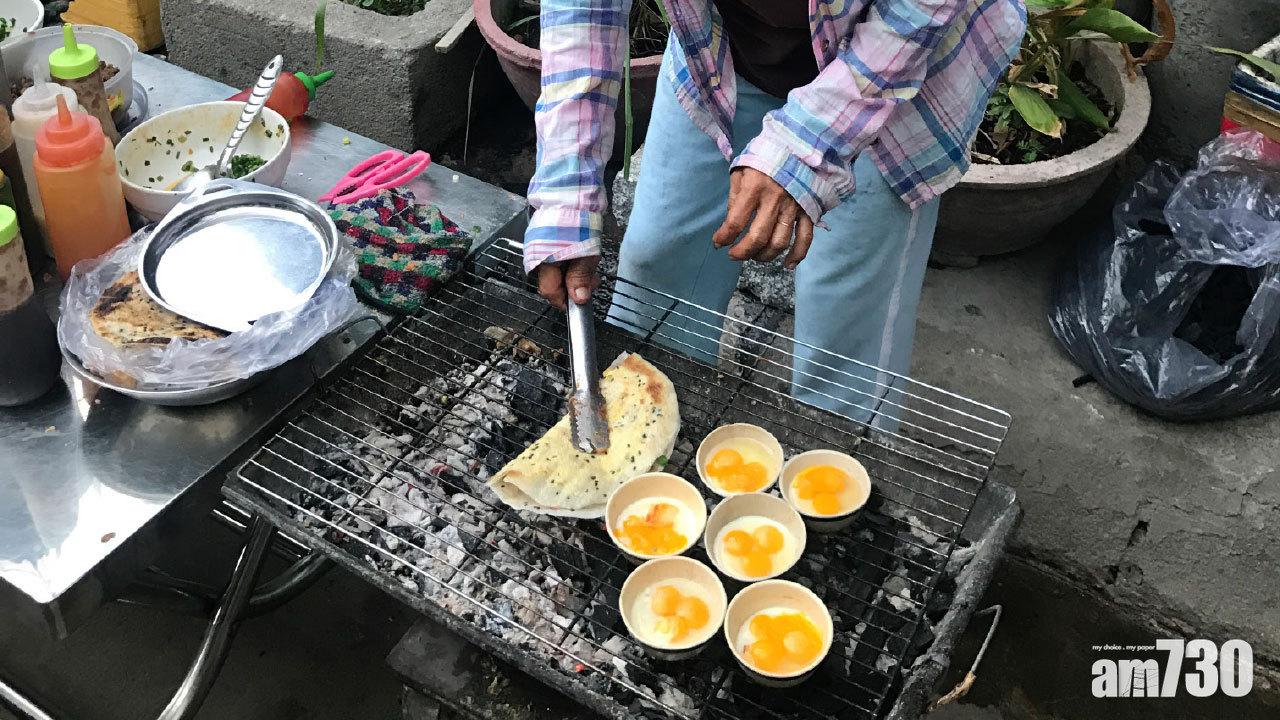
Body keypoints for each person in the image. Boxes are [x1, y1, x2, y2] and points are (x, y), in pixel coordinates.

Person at [524, 0, 1026, 425]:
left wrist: (807, 147)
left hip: (896, 68)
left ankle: (833, 482)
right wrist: (568, 192)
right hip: (719, 49)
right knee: (660, 258)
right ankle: (647, 447)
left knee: (843, 327)